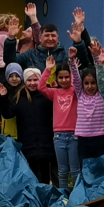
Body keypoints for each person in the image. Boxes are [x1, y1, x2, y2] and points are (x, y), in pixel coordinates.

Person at [40, 56, 81, 188]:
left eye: (66, 77)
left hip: (74, 134)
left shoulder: (75, 91)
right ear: (56, 79)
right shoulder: (55, 92)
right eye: (61, 78)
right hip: (58, 136)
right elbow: (41, 87)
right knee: (62, 171)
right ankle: (63, 197)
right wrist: (48, 70)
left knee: (75, 171)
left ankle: (76, 197)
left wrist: (74, 69)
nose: (64, 80)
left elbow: (78, 83)